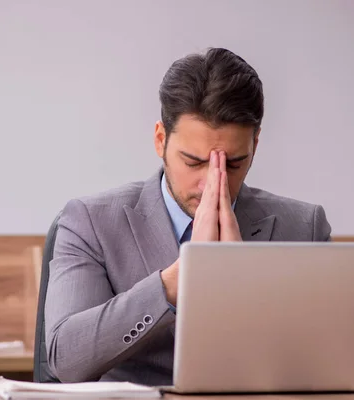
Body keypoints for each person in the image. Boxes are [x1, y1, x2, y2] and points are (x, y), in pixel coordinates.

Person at [45, 47, 332, 385]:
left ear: (256, 143)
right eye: (194, 162)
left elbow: (323, 362)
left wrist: (248, 285)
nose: (211, 182)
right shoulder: (90, 222)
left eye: (234, 164)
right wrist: (178, 280)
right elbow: (66, 360)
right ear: (160, 140)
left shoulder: (303, 227)